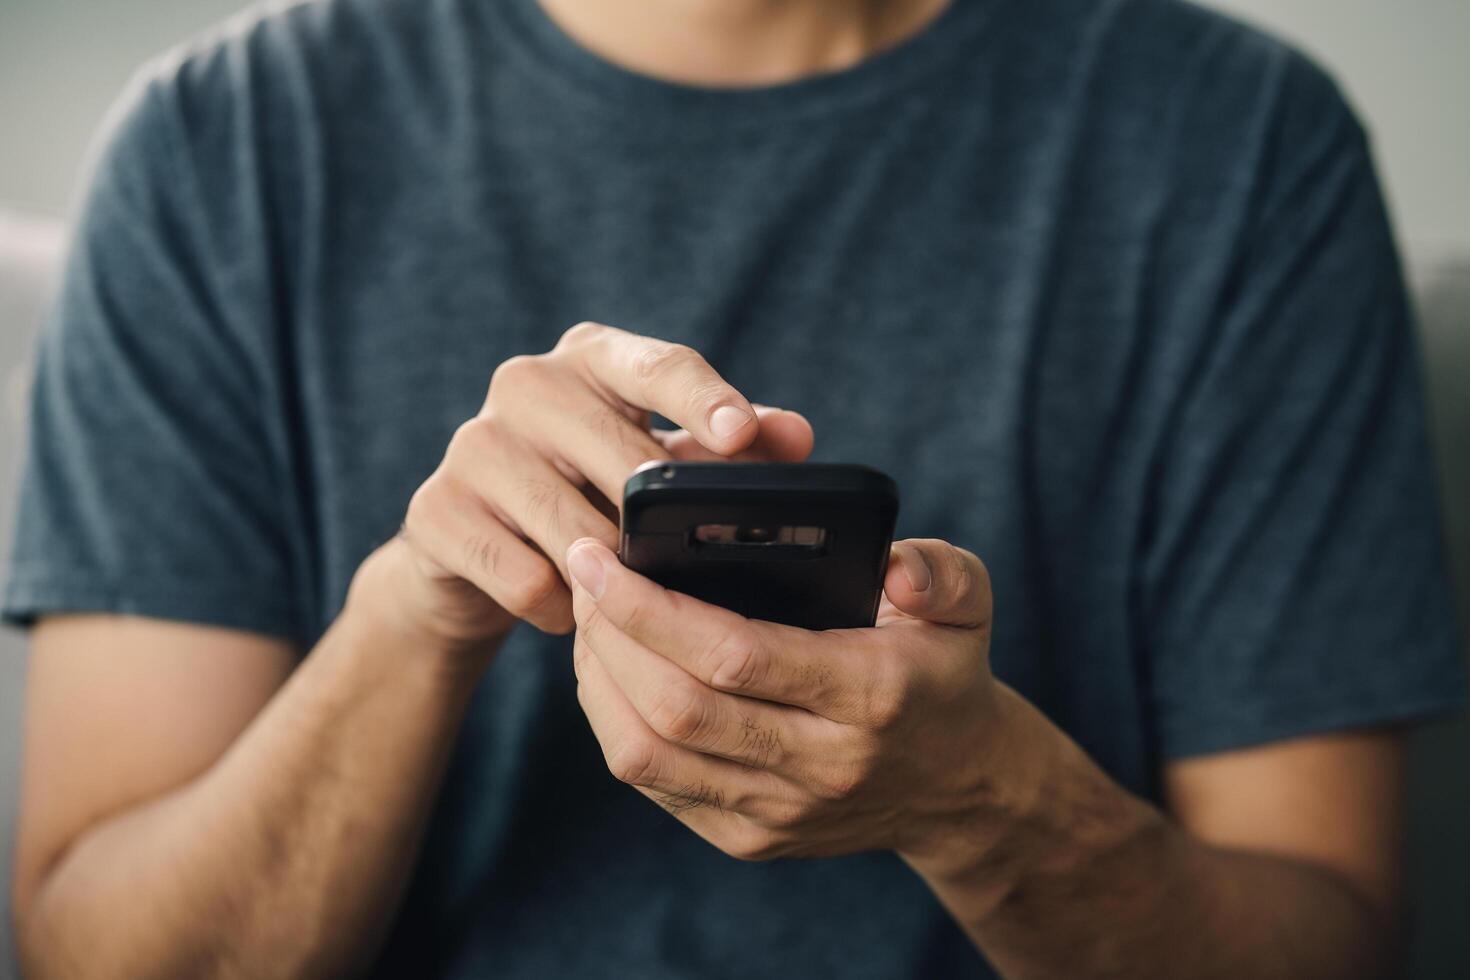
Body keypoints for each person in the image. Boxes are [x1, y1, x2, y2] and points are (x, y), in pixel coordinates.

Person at [6, 0, 1464, 976]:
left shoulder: (1235, 146)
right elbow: (97, 948)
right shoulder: (223, 145)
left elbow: (1330, 937)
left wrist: (983, 802)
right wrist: (419, 609)